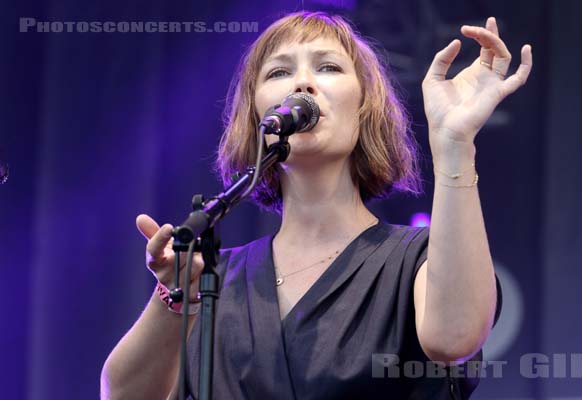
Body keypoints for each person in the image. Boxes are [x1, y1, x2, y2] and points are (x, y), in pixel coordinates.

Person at [101, 11, 532, 399]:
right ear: (256, 115)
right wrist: (177, 297)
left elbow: (455, 338)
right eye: (278, 72)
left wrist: (454, 145)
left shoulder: (416, 261)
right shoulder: (212, 281)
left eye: (327, 67)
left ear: (364, 107)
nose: (302, 83)